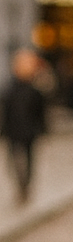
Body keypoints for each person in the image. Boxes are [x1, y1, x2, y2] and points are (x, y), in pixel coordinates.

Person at [1, 49, 47, 204]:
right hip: (14, 131)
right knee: (14, 161)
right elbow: (6, 112)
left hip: (28, 131)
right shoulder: (10, 89)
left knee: (28, 160)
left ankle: (25, 186)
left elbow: (41, 112)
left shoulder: (35, 90)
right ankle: (21, 185)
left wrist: (41, 129)